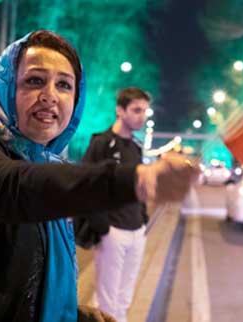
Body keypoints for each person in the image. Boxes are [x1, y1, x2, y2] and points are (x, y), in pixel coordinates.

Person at [0, 30, 198, 322]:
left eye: (64, 85)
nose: (50, 96)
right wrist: (137, 181)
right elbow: (12, 188)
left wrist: (77, 315)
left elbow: (16, 288)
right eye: (34, 81)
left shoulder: (47, 168)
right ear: (5, 88)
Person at [78, 87, 151, 322]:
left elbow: (139, 187)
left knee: (125, 298)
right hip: (113, 231)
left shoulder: (137, 147)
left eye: (144, 111)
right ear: (120, 111)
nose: (142, 116)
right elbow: (85, 184)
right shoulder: (102, 143)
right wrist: (102, 227)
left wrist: (143, 218)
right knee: (107, 300)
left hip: (136, 230)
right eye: (136, 110)